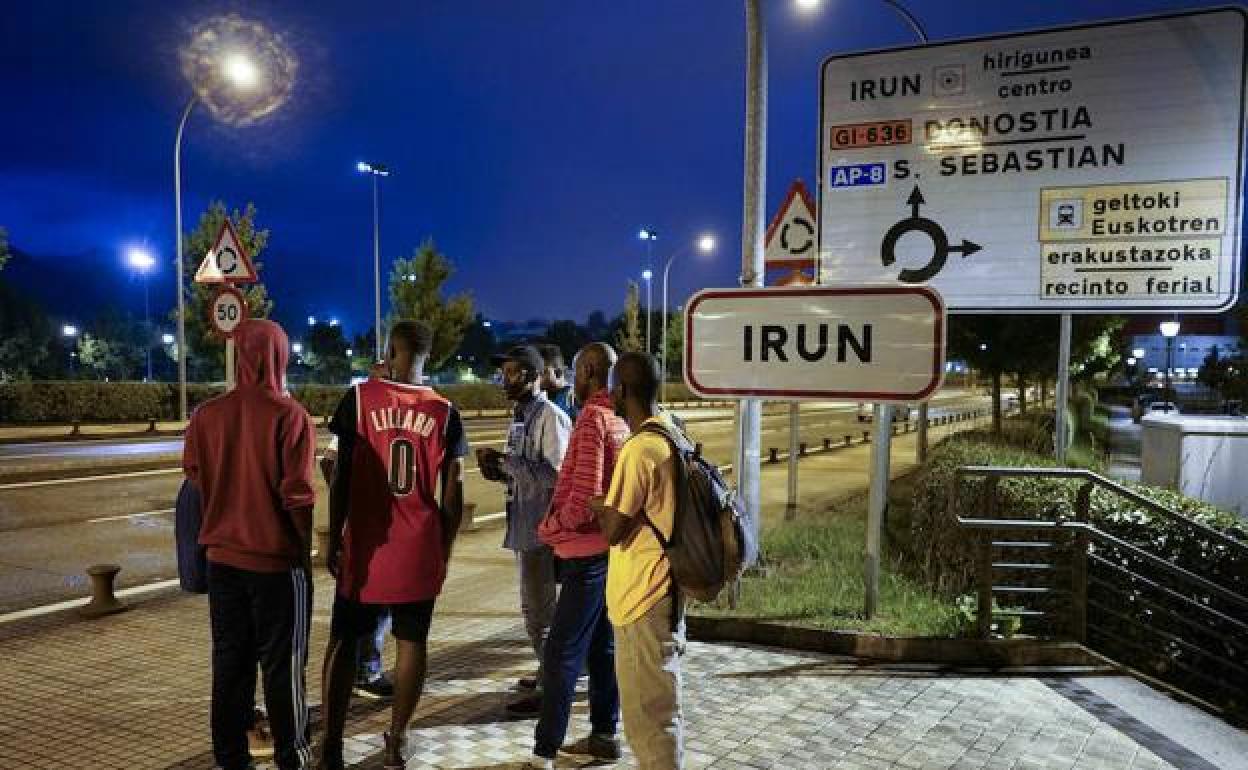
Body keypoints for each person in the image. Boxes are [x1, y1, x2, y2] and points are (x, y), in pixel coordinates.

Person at [319, 320, 467, 770]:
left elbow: (340, 473)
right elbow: (454, 489)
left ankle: (331, 746)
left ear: (392, 349)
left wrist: (334, 534)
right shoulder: (444, 411)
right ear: (428, 355)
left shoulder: (361, 398)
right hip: (418, 547)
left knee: (345, 642)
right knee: (412, 642)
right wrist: (444, 547)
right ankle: (397, 740)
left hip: (366, 546)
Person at [182, 319, 317, 770]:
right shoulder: (289, 415)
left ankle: (230, 759)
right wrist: (305, 552)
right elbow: (297, 495)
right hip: (276, 564)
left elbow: (196, 479)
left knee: (230, 664)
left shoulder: (205, 415)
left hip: (222, 561)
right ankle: (291, 757)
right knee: (283, 666)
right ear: (280, 355)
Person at [527, 343, 629, 769]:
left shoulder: (591, 420)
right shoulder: (621, 419)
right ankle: (604, 735)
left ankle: (544, 751)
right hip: (613, 553)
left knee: (561, 652)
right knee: (603, 648)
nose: (572, 380)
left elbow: (586, 498)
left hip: (587, 556)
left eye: (575, 370)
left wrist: (552, 527)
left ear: (589, 370)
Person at [590, 352, 685, 769]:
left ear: (622, 391)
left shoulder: (640, 449)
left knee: (649, 722)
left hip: (643, 598)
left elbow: (613, 528)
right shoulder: (671, 432)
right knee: (658, 714)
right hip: (665, 589)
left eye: (613, 387)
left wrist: (598, 503)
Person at [477, 345, 571, 716]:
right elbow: (522, 472)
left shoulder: (550, 416)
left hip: (542, 528)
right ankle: (547, 671)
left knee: (540, 614)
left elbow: (559, 476)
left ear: (533, 377)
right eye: (503, 373)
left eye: (513, 373)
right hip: (523, 522)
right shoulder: (520, 416)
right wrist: (498, 469)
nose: (505, 379)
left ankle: (551, 688)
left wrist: (509, 463)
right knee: (533, 610)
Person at [320, 435, 395, 701]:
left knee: (361, 608)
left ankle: (355, 671)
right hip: (377, 531)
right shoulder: (367, 416)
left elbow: (328, 461)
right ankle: (366, 671)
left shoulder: (363, 414)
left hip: (367, 529)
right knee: (376, 607)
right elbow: (329, 462)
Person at [539, 343, 576, 421]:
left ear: (557, 372)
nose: (537, 378)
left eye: (542, 372)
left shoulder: (573, 397)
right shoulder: (541, 395)